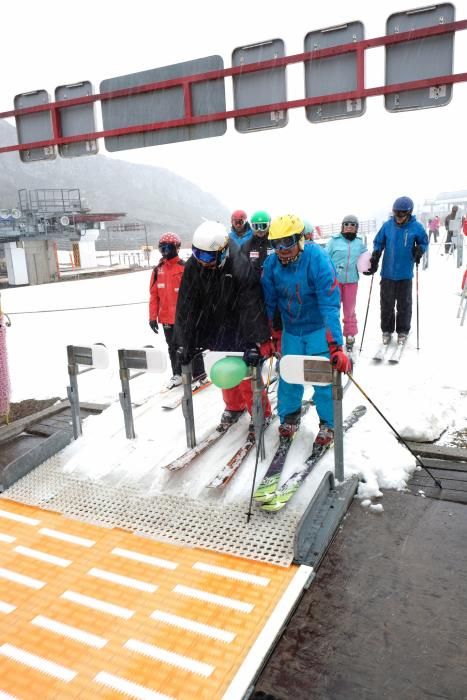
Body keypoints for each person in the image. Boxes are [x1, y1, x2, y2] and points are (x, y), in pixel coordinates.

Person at [174, 220, 274, 430]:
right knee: (223, 369)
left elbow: (251, 305)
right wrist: (185, 341)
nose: (202, 261)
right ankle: (234, 406)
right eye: (197, 254)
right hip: (215, 323)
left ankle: (260, 411)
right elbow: (186, 305)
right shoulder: (194, 266)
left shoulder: (240, 265)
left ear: (222, 251)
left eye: (208, 256)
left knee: (245, 371)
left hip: (240, 324)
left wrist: (252, 341)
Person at [261, 214, 350, 449]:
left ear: (300, 239)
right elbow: (269, 303)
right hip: (291, 329)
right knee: (288, 374)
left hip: (317, 327)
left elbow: (329, 303)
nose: (282, 250)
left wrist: (335, 345)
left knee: (321, 376)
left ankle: (329, 423)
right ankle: (289, 416)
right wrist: (272, 335)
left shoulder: (317, 259)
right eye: (275, 244)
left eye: (287, 242)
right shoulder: (271, 265)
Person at [364, 196, 428, 344]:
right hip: (387, 273)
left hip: (405, 273)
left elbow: (424, 242)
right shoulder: (387, 226)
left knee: (404, 304)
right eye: (395, 213)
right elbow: (378, 241)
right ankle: (386, 330)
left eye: (401, 214)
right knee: (386, 304)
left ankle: (403, 331)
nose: (398, 217)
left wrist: (420, 250)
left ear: (409, 213)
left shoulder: (416, 227)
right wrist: (376, 253)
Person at [149, 232, 205, 389]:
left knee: (190, 345)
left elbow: (196, 293)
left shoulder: (184, 267)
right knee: (172, 347)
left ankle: (199, 375)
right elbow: (154, 296)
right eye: (162, 248)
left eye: (169, 247)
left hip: (185, 317)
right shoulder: (157, 271)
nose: (165, 251)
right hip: (167, 318)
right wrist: (152, 317)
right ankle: (178, 374)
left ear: (177, 248)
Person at [326, 214, 367, 352]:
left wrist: (370, 266)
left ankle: (350, 334)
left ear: (356, 228)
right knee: (333, 309)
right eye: (346, 224)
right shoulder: (333, 241)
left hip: (351, 281)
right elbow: (325, 259)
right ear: (342, 226)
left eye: (353, 225)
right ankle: (332, 335)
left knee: (349, 310)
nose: (349, 227)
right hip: (335, 282)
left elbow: (366, 259)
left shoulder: (359, 243)